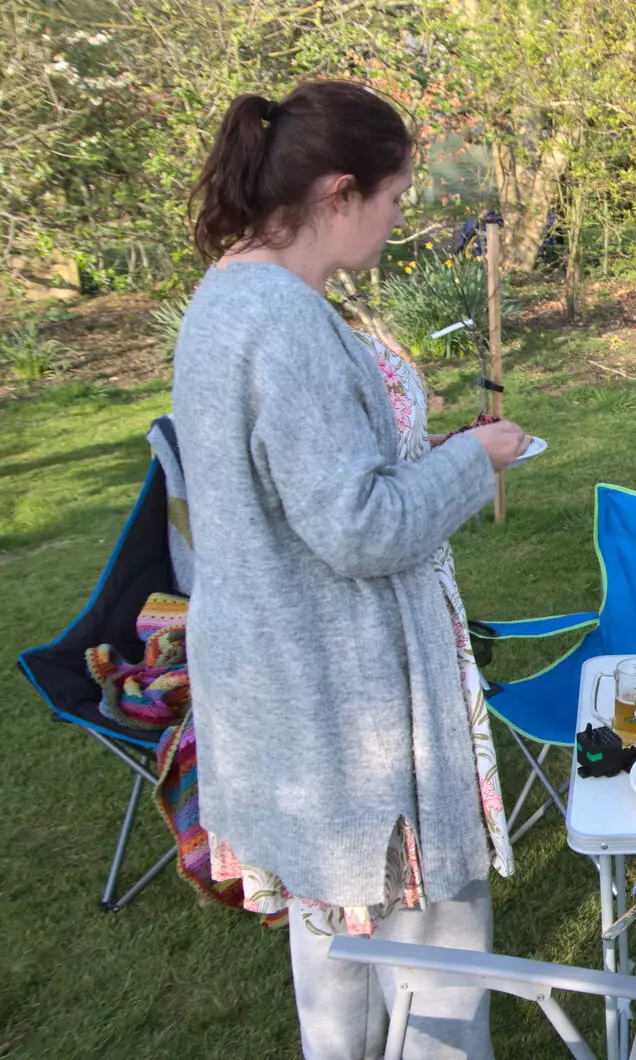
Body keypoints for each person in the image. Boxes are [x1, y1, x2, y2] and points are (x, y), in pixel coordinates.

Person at [173, 80, 526, 1058]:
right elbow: (361, 528)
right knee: (434, 969)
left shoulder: (222, 295)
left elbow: (297, 498)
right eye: (395, 197)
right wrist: (474, 460)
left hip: (282, 704)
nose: (398, 219)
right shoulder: (288, 325)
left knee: (335, 951)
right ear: (339, 193)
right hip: (351, 720)